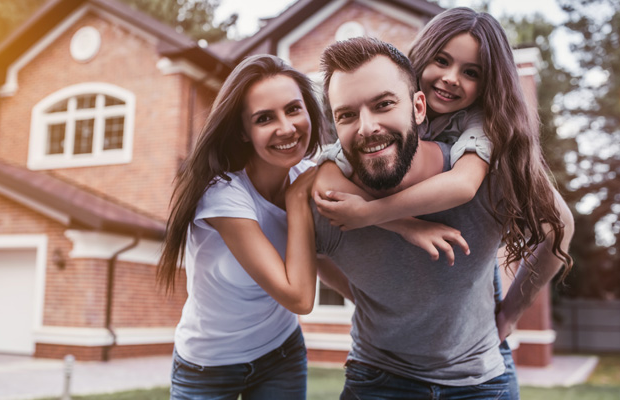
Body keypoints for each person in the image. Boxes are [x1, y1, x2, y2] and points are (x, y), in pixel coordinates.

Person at [315, 8, 575, 398]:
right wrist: (366, 294)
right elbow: (322, 184)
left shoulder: (484, 132)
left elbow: (473, 188)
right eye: (442, 60)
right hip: (380, 374)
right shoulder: (369, 129)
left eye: (472, 72)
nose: (452, 78)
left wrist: (511, 314)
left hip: (480, 373)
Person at [156, 54, 326, 400]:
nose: (286, 127)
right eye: (265, 118)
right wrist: (296, 201)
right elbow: (299, 296)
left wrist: (410, 228)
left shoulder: (310, 175)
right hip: (208, 366)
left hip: (281, 352)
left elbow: (332, 250)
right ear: (244, 132)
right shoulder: (222, 195)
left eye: (293, 109)